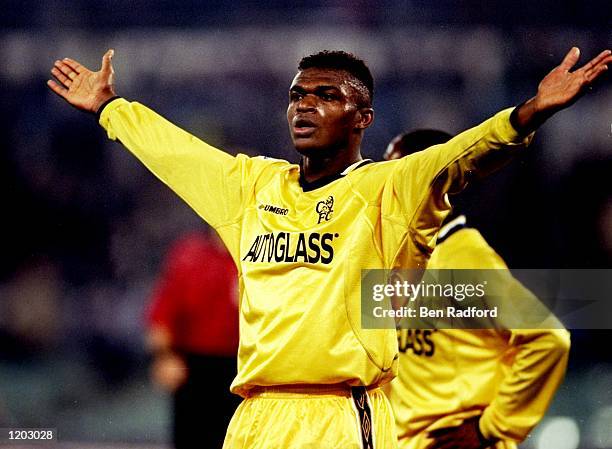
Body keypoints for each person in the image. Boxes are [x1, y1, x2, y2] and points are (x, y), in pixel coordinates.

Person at [46, 46, 610, 448]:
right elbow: (175, 152)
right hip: (253, 418)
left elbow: (462, 155)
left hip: (341, 416)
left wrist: (532, 112)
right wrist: (109, 110)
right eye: (297, 95)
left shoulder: (388, 189)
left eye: (325, 95)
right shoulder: (253, 187)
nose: (304, 105)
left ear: (362, 117)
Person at [384, 130, 571, 449]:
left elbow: (549, 338)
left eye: (396, 172)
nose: (384, 185)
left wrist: (490, 428)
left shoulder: (465, 259)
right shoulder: (399, 260)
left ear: (437, 181)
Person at [145, 230, 241, 449]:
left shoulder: (260, 256)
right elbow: (162, 314)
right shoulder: (189, 255)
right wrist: (163, 357)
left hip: (244, 370)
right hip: (194, 371)